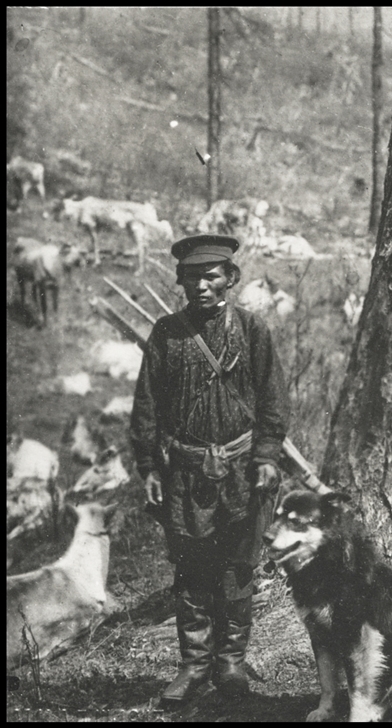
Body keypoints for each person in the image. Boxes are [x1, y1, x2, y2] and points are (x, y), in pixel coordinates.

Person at [130, 234, 289, 707]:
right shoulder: (167, 333)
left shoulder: (251, 329)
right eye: (191, 276)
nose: (200, 285)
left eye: (211, 275)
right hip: (185, 472)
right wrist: (148, 467)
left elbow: (273, 401)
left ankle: (231, 663)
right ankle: (194, 665)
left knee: (238, 568)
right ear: (180, 281)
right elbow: (147, 405)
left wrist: (266, 457)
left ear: (230, 279)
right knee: (192, 569)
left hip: (243, 471)